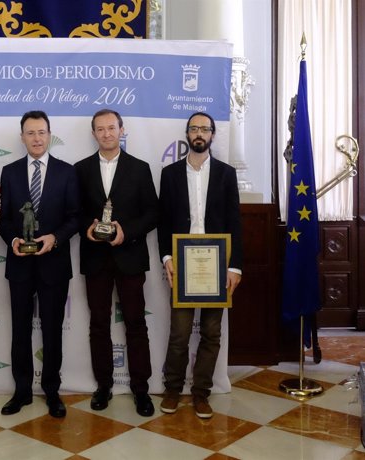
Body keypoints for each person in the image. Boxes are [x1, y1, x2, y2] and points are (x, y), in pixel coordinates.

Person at [157, 112, 243, 419]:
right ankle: (172, 389)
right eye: (194, 128)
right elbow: (163, 222)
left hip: (217, 265)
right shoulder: (169, 174)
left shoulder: (226, 174)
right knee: (179, 333)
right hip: (181, 264)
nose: (199, 133)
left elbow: (235, 221)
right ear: (187, 134)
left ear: (212, 135)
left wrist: (235, 267)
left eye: (204, 129)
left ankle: (201, 393)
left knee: (211, 333)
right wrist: (166, 258)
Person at [74, 109, 158, 416]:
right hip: (95, 258)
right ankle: (103, 386)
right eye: (101, 129)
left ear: (122, 130)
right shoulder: (80, 169)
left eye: (112, 128)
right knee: (98, 324)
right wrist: (87, 227)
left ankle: (141, 389)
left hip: (130, 256)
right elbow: (75, 211)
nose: (107, 133)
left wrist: (127, 232)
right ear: (94, 133)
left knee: (136, 324)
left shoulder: (140, 168)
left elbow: (152, 213)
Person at [0, 110, 79, 418]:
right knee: (19, 330)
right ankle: (21, 391)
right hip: (19, 263)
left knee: (52, 331)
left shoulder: (66, 172)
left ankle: (52, 390)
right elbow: (4, 218)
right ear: (22, 137)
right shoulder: (9, 171)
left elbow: (75, 217)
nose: (36, 138)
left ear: (49, 135)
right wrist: (13, 240)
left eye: (41, 132)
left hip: (54, 264)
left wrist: (55, 239)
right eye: (30, 133)